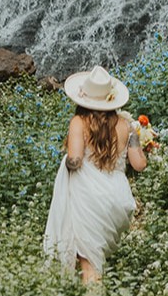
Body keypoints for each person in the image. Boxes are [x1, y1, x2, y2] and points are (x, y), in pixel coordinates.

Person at [43, 65, 147, 283]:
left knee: (88, 262)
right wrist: (138, 138)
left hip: (89, 196)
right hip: (118, 197)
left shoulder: (78, 122)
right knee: (91, 259)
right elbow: (139, 165)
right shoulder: (127, 125)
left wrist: (66, 164)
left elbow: (75, 160)